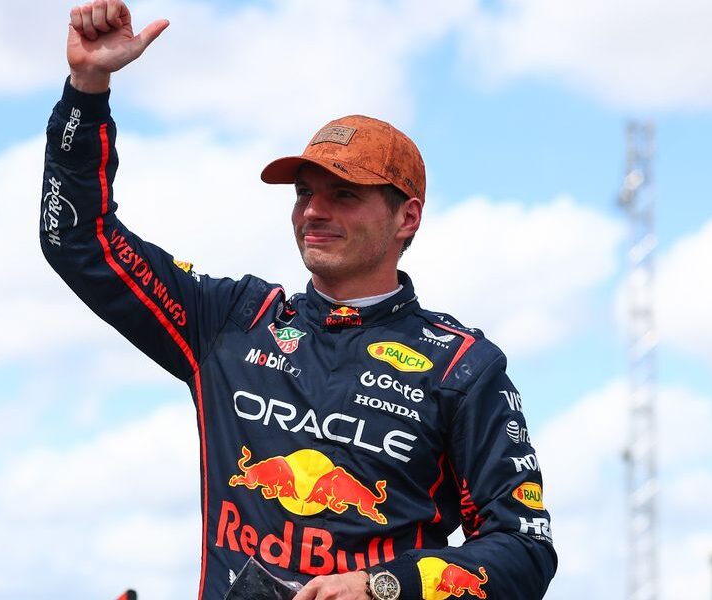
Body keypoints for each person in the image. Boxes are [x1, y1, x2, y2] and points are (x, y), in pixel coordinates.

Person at [41, 1, 557, 599]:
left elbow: (525, 549)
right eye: (305, 192)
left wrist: (382, 586)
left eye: (344, 194)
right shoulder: (231, 322)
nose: (314, 210)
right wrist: (87, 88)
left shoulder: (462, 368)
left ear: (407, 218)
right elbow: (79, 241)